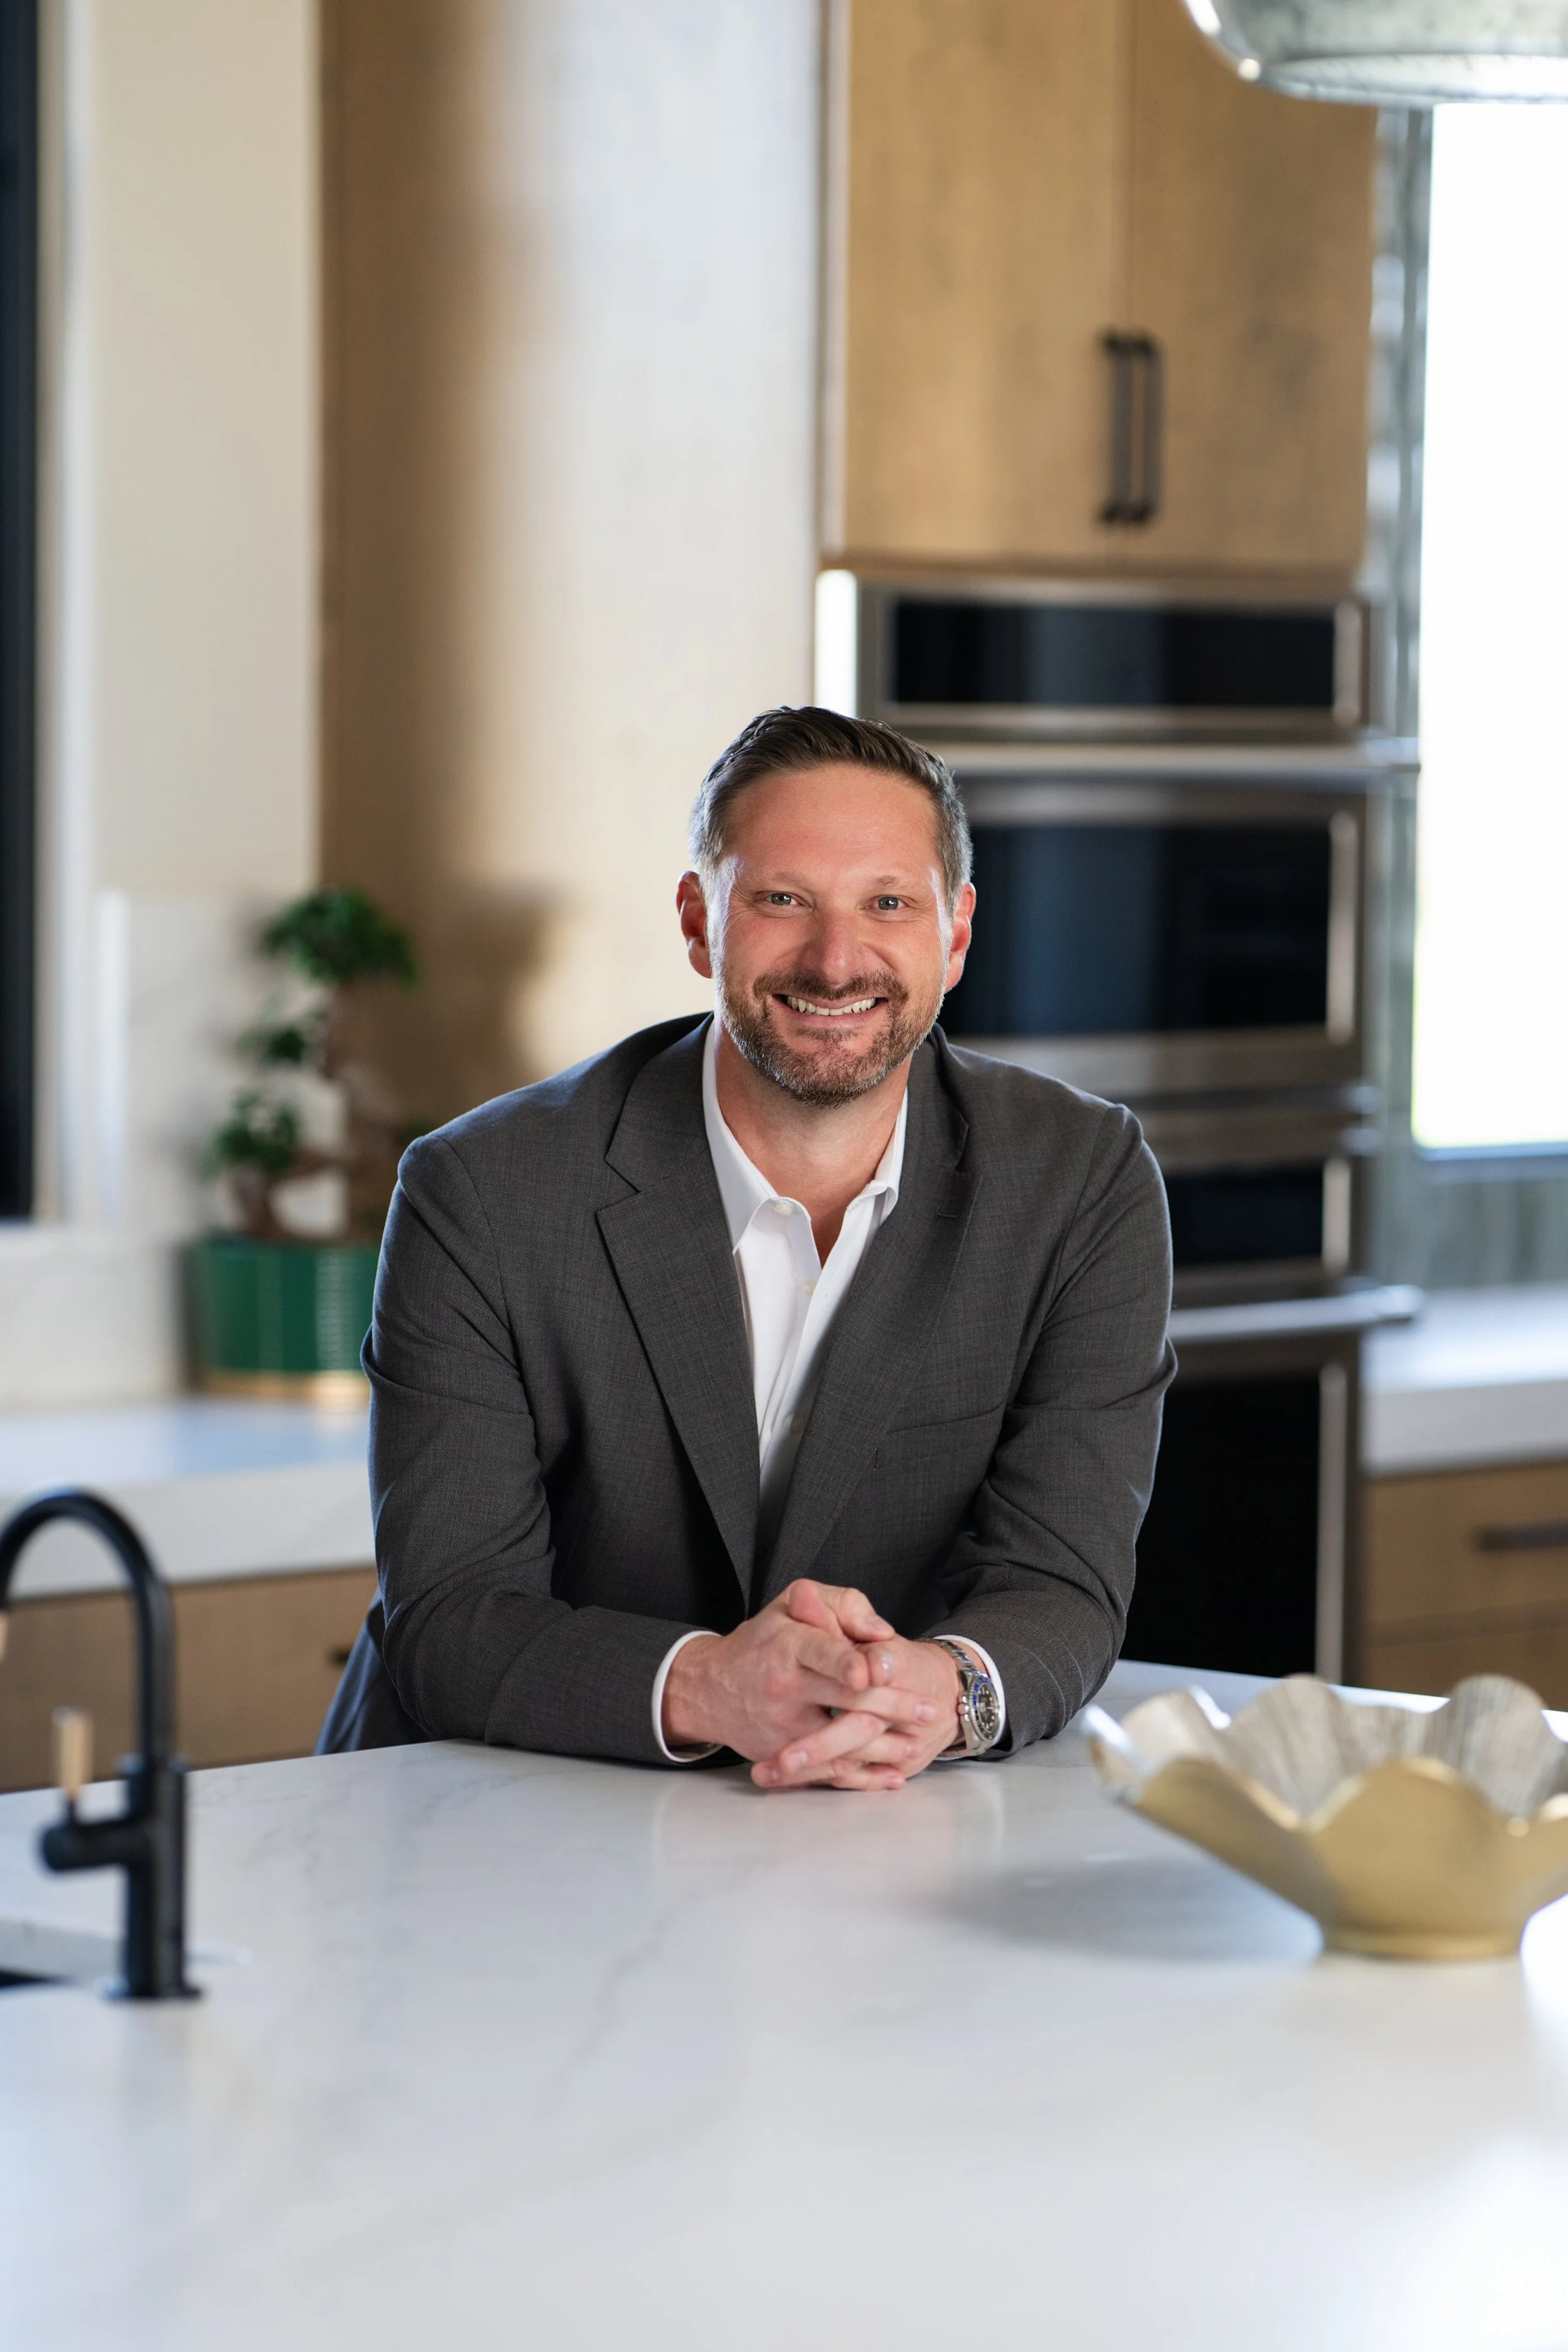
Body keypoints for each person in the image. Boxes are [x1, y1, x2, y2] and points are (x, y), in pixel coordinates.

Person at [320, 707, 1173, 1789]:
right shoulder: (483, 1189)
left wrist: (946, 1690)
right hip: (477, 1819)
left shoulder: (1080, 1182)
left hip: (858, 1828)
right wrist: (709, 1684)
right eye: (782, 900)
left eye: (888, 903)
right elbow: (450, 1614)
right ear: (697, 920)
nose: (836, 959)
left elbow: (1061, 1579)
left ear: (954, 935)